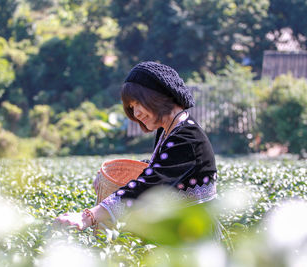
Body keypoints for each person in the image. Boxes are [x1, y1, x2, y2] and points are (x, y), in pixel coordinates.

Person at [54, 61, 217, 231]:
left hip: (192, 238)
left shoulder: (187, 137)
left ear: (158, 94)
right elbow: (161, 167)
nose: (136, 113)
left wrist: (88, 217)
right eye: (131, 107)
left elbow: (151, 184)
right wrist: (113, 172)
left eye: (137, 103)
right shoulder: (172, 129)